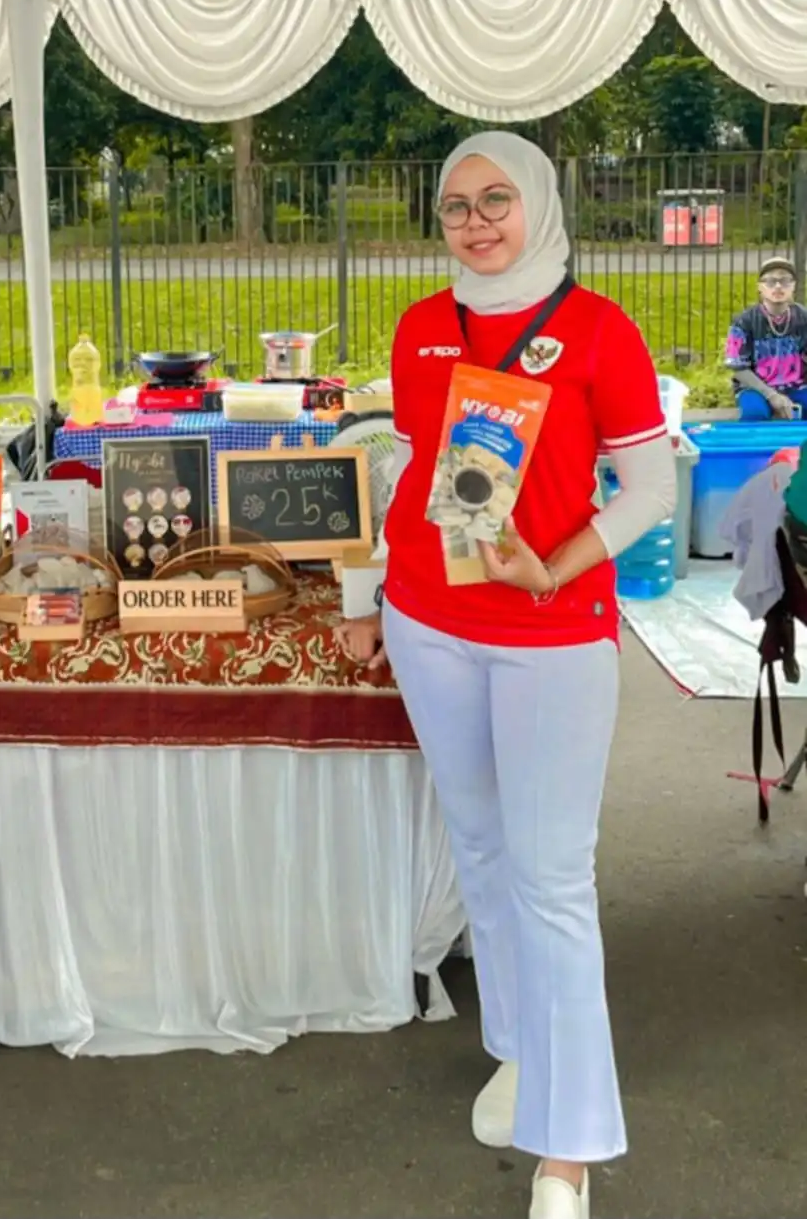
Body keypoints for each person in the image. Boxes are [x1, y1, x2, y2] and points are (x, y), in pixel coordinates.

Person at [335, 132, 676, 1219]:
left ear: (537, 204)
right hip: (429, 623)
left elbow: (650, 489)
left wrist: (557, 564)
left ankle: (570, 1150)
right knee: (481, 849)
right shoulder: (422, 327)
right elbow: (414, 470)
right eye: (456, 205)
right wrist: (371, 597)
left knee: (552, 878)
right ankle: (521, 1051)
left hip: (551, 631)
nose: (476, 222)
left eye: (496, 200)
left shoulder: (600, 329)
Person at [726, 256, 807, 420]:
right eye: (770, 281)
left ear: (793, 286)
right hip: (755, 389)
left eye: (785, 281)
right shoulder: (743, 321)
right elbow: (738, 368)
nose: (778, 286)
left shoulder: (803, 317)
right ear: (760, 288)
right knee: (754, 414)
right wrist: (771, 395)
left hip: (797, 386)